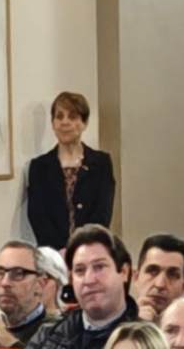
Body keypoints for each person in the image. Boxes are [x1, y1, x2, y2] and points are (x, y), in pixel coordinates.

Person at [22, 89, 117, 254]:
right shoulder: (38, 167)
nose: (64, 122)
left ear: (84, 123)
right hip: (53, 256)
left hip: (91, 252)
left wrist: (80, 250)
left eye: (72, 117)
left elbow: (103, 213)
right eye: (59, 117)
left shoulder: (101, 163)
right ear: (53, 123)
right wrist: (60, 252)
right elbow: (38, 216)